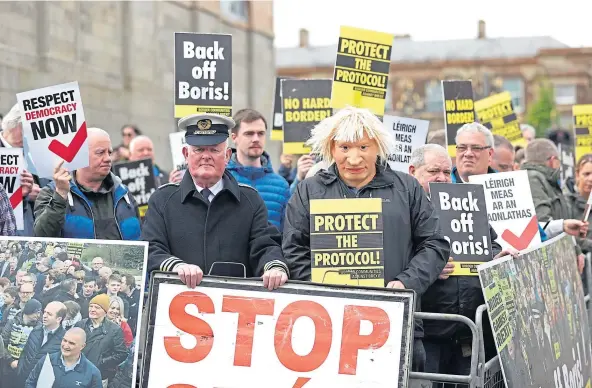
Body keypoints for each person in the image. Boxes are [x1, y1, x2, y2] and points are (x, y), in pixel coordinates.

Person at [282, 106, 449, 375]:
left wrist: (406, 283)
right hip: (330, 324)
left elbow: (434, 243)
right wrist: (322, 285)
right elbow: (293, 246)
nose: (354, 158)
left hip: (398, 322)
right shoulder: (309, 190)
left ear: (378, 147)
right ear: (331, 148)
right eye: (345, 147)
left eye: (363, 147)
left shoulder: (406, 188)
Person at [142, 113, 289, 290]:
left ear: (227, 155)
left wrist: (274, 267)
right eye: (199, 149)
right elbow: (151, 249)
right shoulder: (163, 200)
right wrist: (176, 267)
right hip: (178, 306)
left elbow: (265, 245)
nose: (206, 156)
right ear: (186, 154)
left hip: (233, 306)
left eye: (214, 150)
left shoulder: (250, 200)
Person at [33, 127, 142, 240]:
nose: (108, 158)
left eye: (109, 152)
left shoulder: (124, 194)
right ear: (80, 156)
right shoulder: (51, 193)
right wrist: (60, 196)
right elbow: (42, 239)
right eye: (100, 153)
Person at [227, 109, 290, 231]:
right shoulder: (220, 180)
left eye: (260, 133)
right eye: (249, 133)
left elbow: (287, 237)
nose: (256, 139)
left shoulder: (281, 185)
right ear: (234, 137)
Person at [1, 104, 44, 236]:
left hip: (33, 229)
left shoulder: (36, 153)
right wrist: (20, 195)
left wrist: (43, 194)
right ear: (19, 127)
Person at [76, 294, 127, 387]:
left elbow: (122, 354)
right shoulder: (80, 325)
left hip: (99, 375)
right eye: (91, 306)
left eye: (97, 307)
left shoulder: (114, 330)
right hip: (77, 372)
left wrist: (101, 362)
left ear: (105, 311)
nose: (92, 309)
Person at [25, 327, 102, 388]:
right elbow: (30, 382)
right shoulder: (46, 361)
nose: (65, 345)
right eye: (64, 340)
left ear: (82, 346)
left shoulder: (92, 373)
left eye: (71, 343)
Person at [16, 301, 67, 386]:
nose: (44, 316)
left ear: (59, 319)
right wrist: (20, 370)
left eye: (49, 314)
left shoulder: (64, 339)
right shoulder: (36, 330)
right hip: (23, 379)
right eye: (45, 312)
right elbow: (25, 352)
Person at [1, 298, 42, 387]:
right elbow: (3, 343)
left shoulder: (39, 327)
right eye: (36, 312)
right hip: (6, 366)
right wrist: (10, 360)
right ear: (29, 310)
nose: (38, 315)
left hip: (24, 369)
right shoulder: (12, 322)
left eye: (39, 312)